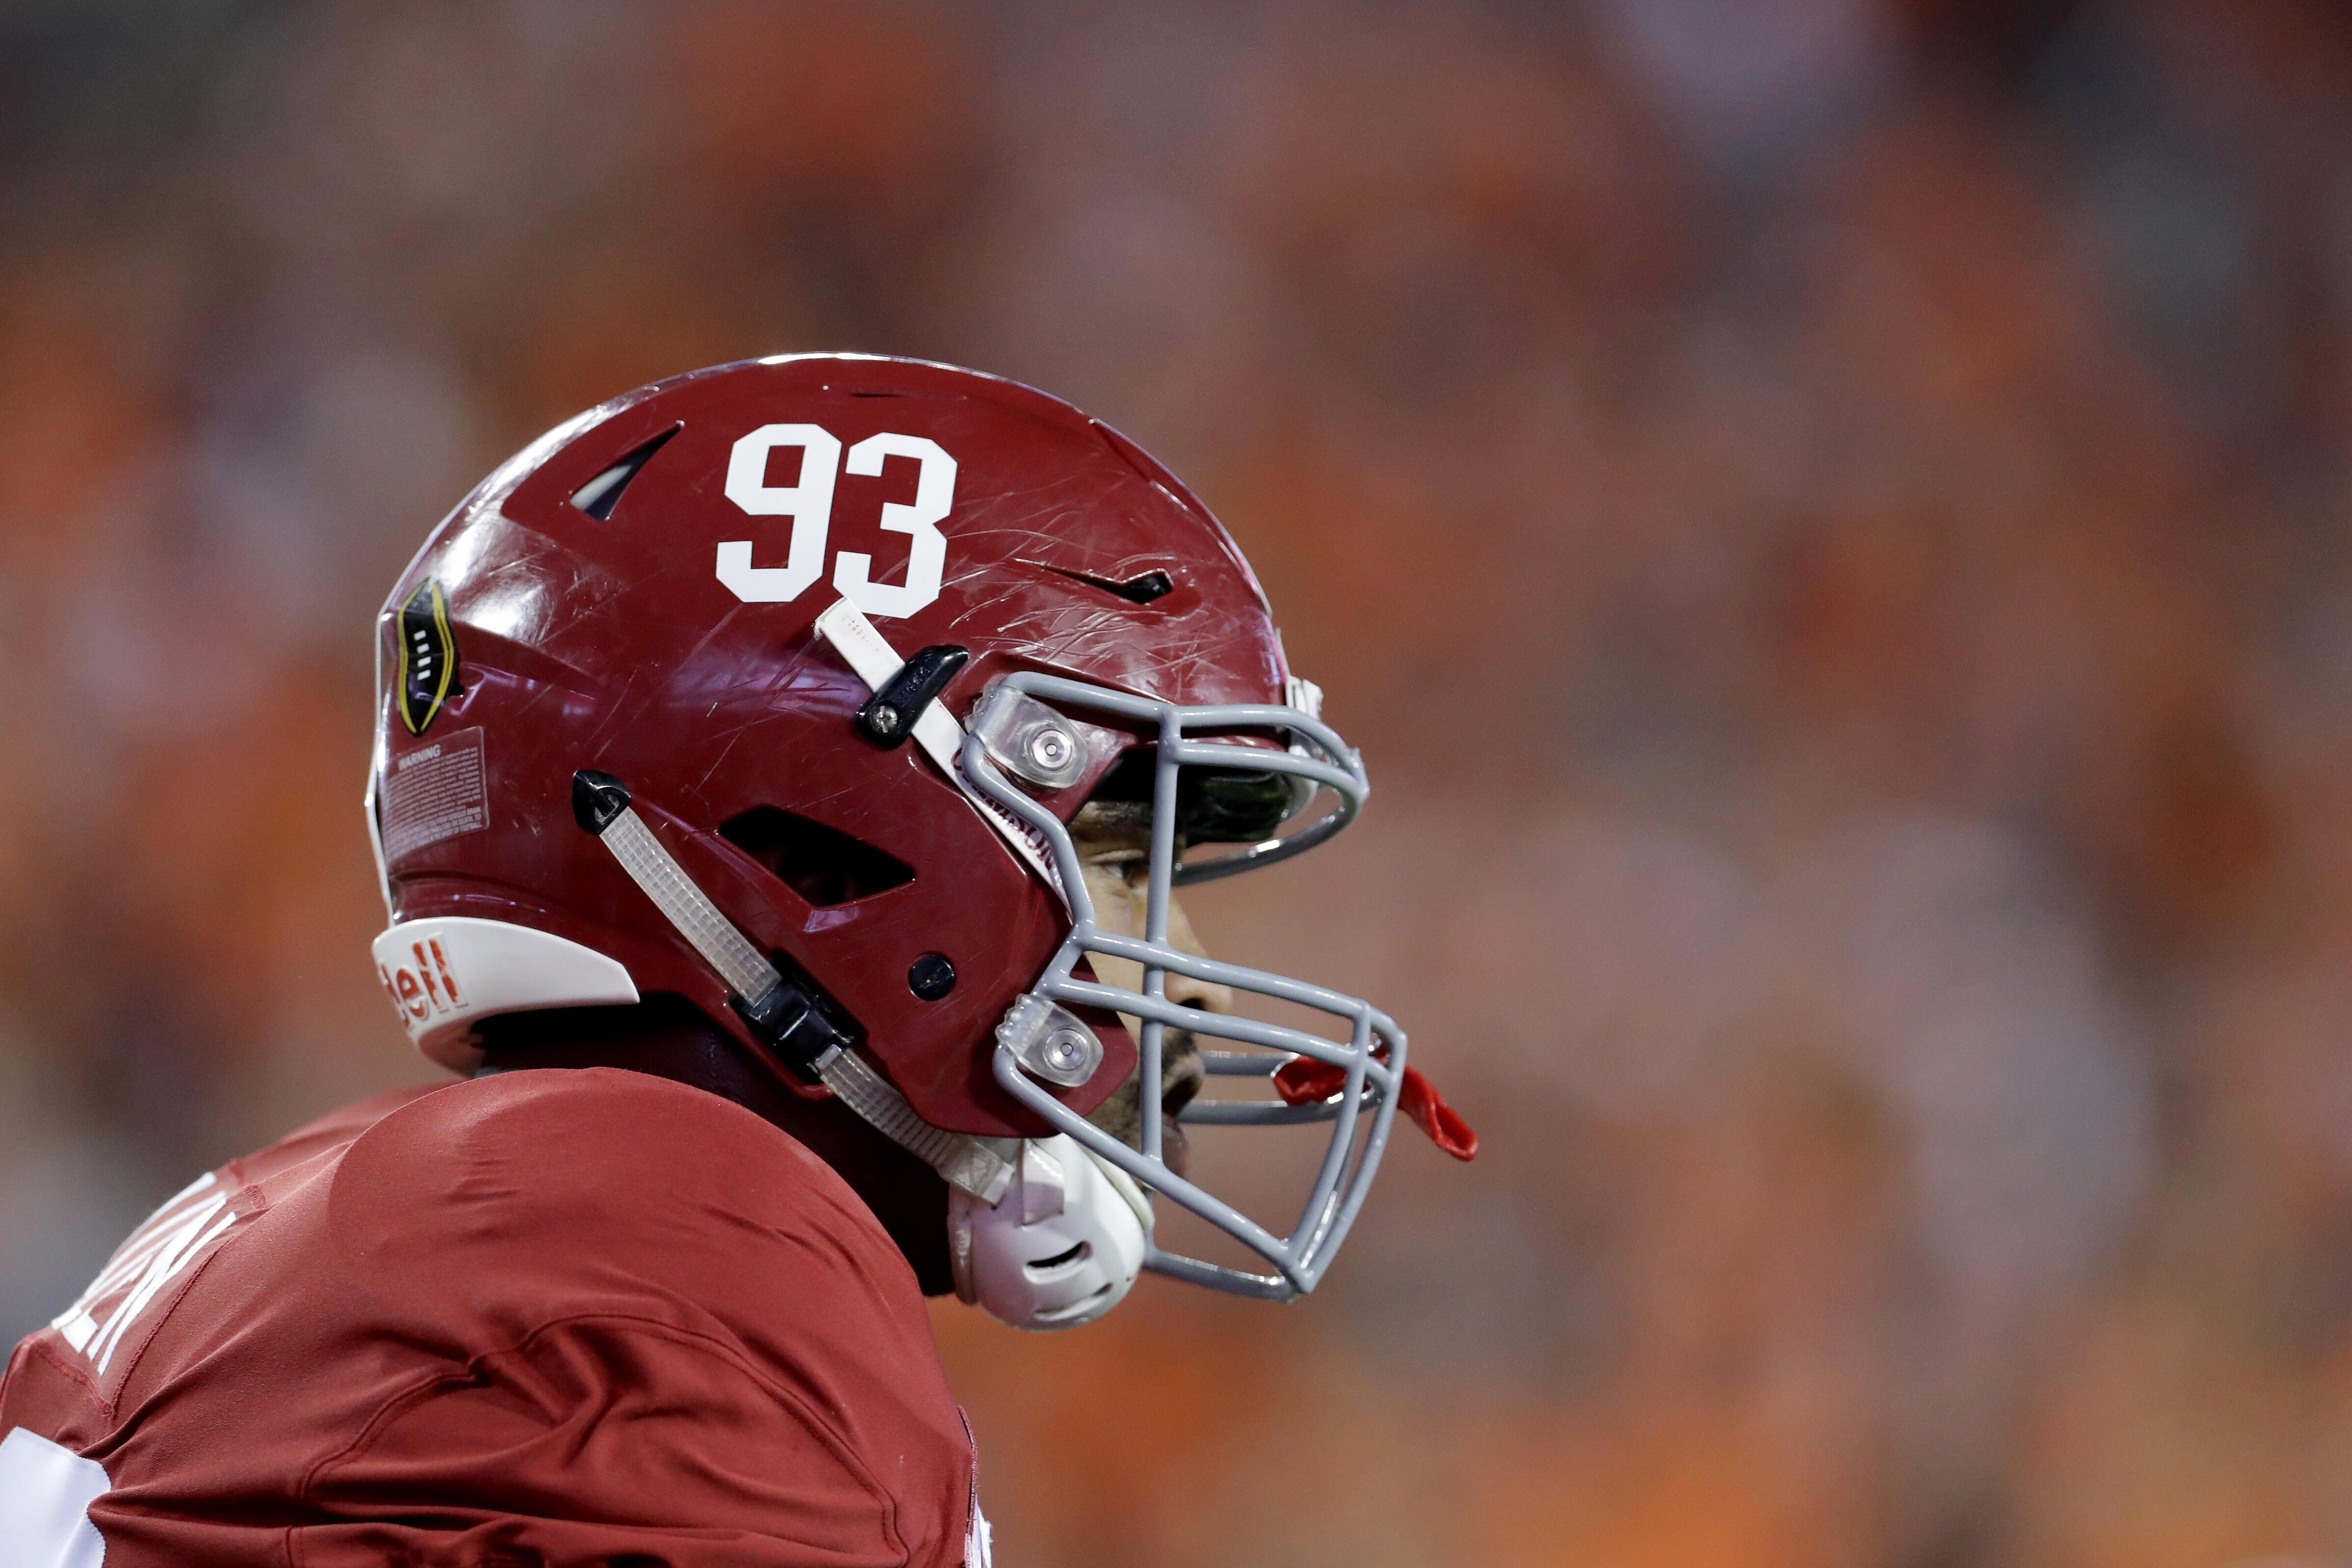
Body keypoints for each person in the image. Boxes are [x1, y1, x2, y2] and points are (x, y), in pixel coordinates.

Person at [0, 355, 1472, 1566]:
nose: (1191, 975)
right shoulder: (670, 1261)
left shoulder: (415, 1207)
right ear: (826, 840)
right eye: (1105, 853)